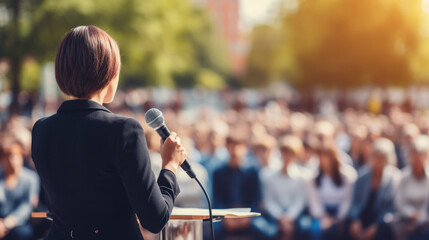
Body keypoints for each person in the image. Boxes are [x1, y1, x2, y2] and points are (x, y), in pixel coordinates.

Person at [31, 26, 187, 240]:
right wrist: (170, 165)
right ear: (108, 73)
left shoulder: (41, 129)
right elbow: (154, 218)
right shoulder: (123, 130)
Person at [347, 138, 401, 240]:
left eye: (382, 158)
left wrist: (376, 226)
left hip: (381, 221)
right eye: (377, 157)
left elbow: (391, 208)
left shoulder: (394, 178)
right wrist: (355, 220)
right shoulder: (363, 175)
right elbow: (355, 201)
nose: (379, 161)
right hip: (362, 217)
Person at [213, 134, 262, 239]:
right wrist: (226, 217)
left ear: (245, 148)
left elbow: (257, 199)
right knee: (212, 230)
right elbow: (217, 199)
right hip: (226, 215)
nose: (234, 150)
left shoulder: (252, 171)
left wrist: (248, 217)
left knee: (264, 230)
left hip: (248, 215)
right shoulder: (218, 172)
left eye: (238, 146)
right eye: (231, 146)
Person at [306, 144, 357, 240]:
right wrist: (323, 216)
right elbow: (314, 201)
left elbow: (347, 200)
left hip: (340, 213)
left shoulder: (347, 176)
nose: (325, 161)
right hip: (322, 214)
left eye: (327, 157)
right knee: (316, 230)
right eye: (322, 158)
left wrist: (338, 218)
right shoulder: (314, 176)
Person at [263, 135, 307, 240]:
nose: (287, 156)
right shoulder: (269, 175)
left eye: (291, 153)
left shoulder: (302, 176)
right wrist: (280, 217)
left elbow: (300, 201)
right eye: (284, 152)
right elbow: (269, 200)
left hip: (294, 216)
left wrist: (289, 217)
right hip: (275, 216)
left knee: (304, 227)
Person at [0, 135, 39, 240]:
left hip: (18, 223)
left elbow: (26, 205)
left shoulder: (31, 178)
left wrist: (8, 222)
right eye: (7, 156)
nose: (12, 160)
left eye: (15, 155)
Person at [394, 135, 429, 239]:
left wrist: (421, 218)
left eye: (421, 154)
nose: (418, 158)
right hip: (406, 222)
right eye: (414, 154)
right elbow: (399, 203)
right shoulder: (403, 177)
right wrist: (411, 214)